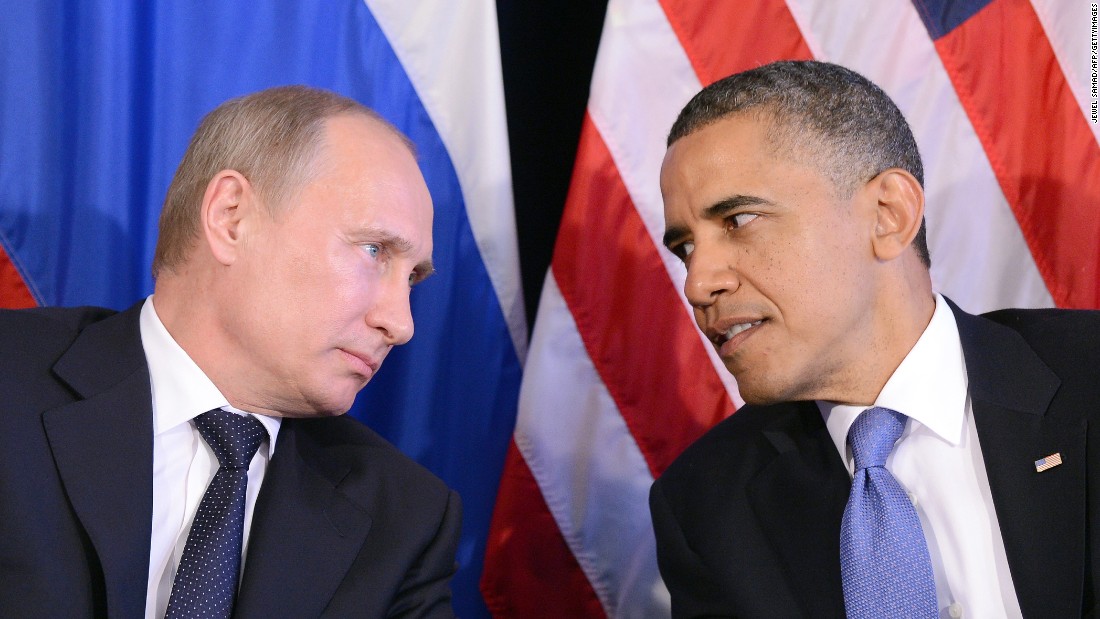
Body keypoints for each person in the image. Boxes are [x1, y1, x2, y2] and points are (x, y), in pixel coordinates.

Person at [650, 60, 1099, 618]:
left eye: (738, 220)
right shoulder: (706, 507)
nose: (698, 282)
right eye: (686, 247)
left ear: (889, 215)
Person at [0, 85, 461, 618]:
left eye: (413, 279)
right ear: (231, 217)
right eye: (373, 250)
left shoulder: (404, 521)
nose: (401, 324)